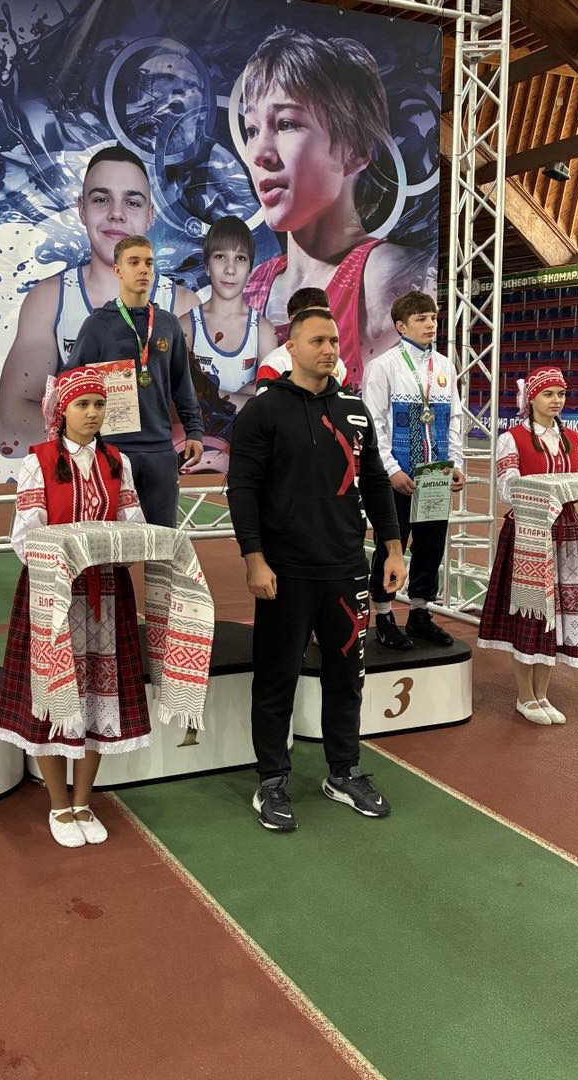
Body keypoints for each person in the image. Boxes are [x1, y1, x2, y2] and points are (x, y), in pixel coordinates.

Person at [228, 311, 406, 830]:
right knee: (277, 678)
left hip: (347, 570)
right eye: (318, 341)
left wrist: (393, 549)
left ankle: (344, 772)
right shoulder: (263, 411)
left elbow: (376, 482)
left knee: (346, 678)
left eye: (334, 340)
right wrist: (254, 559)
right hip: (285, 574)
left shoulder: (354, 410)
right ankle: (271, 781)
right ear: (292, 346)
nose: (329, 349)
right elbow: (243, 488)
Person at [0, 366, 148, 846]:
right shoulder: (37, 461)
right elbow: (26, 537)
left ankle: (83, 800)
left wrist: (113, 548)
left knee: (98, 697)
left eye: (99, 404)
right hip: (52, 596)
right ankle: (58, 805)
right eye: (82, 404)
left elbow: (133, 524)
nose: (92, 413)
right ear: (62, 411)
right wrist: (74, 555)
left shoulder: (117, 461)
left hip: (106, 596)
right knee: (51, 694)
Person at [240, 29, 434, 391]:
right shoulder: (253, 284)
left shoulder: (387, 275)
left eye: (286, 124)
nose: (259, 153)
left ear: (354, 150)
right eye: (251, 129)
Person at [0, 145, 199, 459]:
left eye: (132, 202)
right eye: (102, 199)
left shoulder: (183, 306)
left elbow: (199, 420)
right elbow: (11, 427)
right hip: (81, 483)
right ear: (82, 209)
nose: (116, 213)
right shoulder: (49, 300)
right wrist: (104, 452)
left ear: (149, 215)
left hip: (154, 481)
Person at [478, 366, 578, 723]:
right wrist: (545, 490)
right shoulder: (512, 438)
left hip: (567, 533)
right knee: (531, 612)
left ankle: (543, 694)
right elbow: (507, 487)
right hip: (528, 533)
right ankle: (525, 696)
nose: (556, 400)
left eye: (561, 394)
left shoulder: (575, 439)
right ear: (531, 398)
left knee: (558, 613)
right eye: (548, 394)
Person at [65, 234, 204, 526]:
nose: (143, 269)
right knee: (111, 539)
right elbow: (70, 382)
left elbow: (183, 384)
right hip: (112, 448)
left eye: (149, 263)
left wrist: (194, 431)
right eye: (134, 262)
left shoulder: (167, 324)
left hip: (159, 449)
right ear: (117, 270)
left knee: (162, 539)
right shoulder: (98, 324)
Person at [362, 290, 464, 650]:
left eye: (433, 318)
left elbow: (454, 418)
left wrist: (456, 463)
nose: (430, 324)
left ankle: (420, 613)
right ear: (401, 326)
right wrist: (390, 469)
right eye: (421, 319)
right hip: (398, 479)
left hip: (435, 477)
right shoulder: (383, 366)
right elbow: (374, 424)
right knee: (391, 546)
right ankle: (384, 615)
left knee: (430, 547)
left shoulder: (445, 366)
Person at [181, 216, 278, 409]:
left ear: (250, 271)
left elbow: (271, 401)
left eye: (240, 258)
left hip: (248, 428)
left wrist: (211, 394)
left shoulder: (264, 330)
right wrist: (246, 398)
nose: (230, 269)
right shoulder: (186, 326)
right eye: (220, 257)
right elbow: (181, 397)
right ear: (207, 266)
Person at [254, 286, 348, 391]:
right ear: (293, 320)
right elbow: (267, 401)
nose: (321, 322)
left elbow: (348, 399)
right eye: (312, 316)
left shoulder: (337, 363)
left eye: (325, 315)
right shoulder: (274, 364)